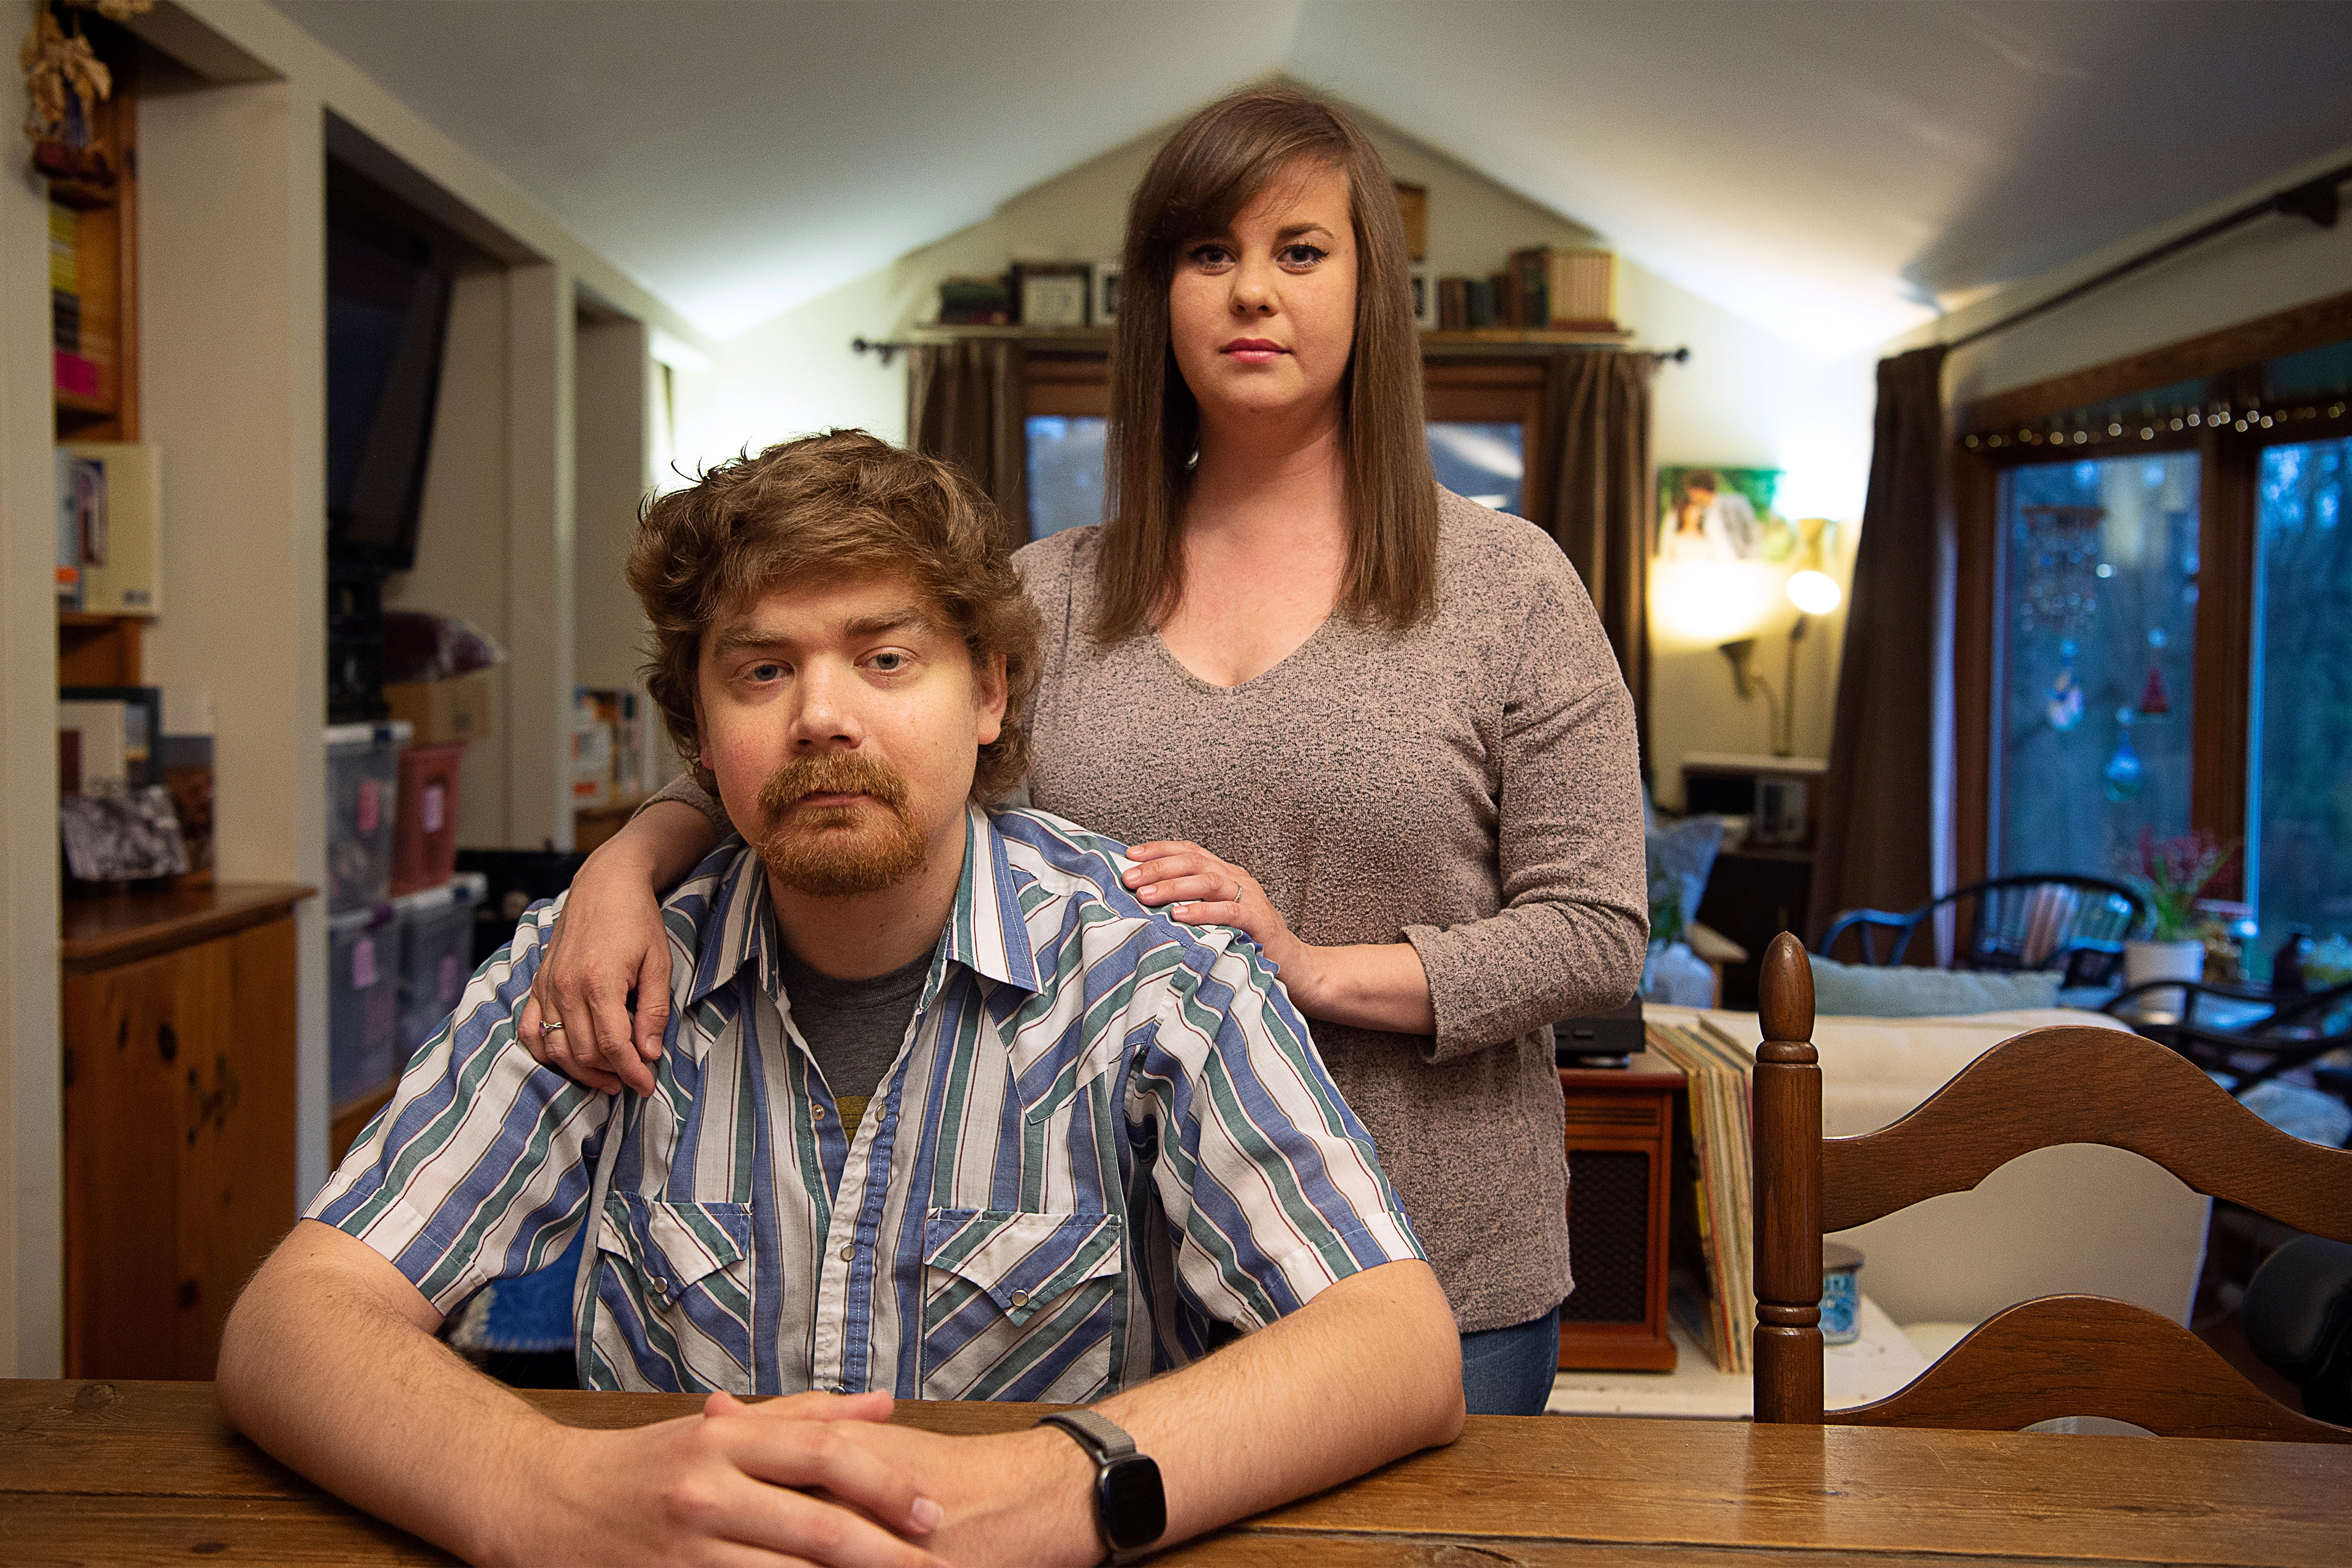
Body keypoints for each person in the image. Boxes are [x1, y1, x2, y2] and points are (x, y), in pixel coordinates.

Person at [525, 85, 1648, 1416]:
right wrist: (618, 876)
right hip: (1097, 1283)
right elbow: (815, 758)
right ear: (1158, 298)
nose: (1250, 293)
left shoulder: (1510, 584)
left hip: (1442, 1270)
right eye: (1208, 254)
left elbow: (1594, 930)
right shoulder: (1042, 593)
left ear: (1372, 291)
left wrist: (1310, 967)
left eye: (1299, 251)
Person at [216, 432, 1463, 1568]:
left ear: (986, 692)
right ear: (702, 731)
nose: (822, 715)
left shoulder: (1152, 973)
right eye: (761, 670)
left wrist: (1048, 1487)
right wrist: (548, 1489)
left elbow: (1398, 1344)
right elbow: (292, 1322)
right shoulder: (599, 970)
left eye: (884, 657)